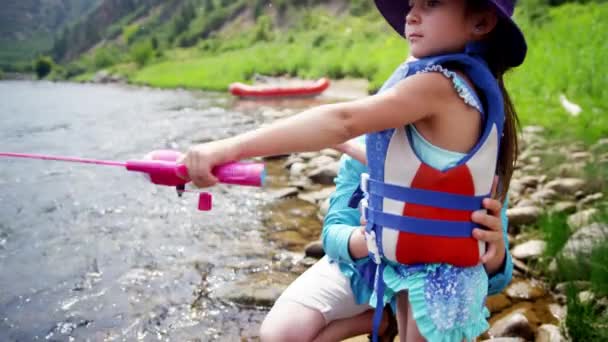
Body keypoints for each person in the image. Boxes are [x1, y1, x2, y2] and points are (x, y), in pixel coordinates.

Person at [180, 0, 526, 341]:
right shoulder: (468, 93)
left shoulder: (438, 85)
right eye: (411, 3)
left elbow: (342, 120)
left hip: (436, 278)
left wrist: (229, 147)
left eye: (432, 3)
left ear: (480, 22)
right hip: (422, 272)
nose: (412, 15)